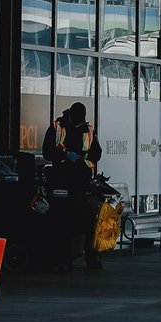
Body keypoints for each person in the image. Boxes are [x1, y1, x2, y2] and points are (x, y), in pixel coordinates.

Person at [42, 103, 106, 270]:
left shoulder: (87, 129)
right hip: (62, 180)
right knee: (63, 221)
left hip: (82, 181)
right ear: (70, 116)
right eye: (76, 119)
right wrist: (65, 155)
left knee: (88, 220)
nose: (79, 122)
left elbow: (96, 153)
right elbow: (47, 151)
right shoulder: (57, 127)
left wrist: (82, 160)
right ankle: (64, 258)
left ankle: (90, 257)